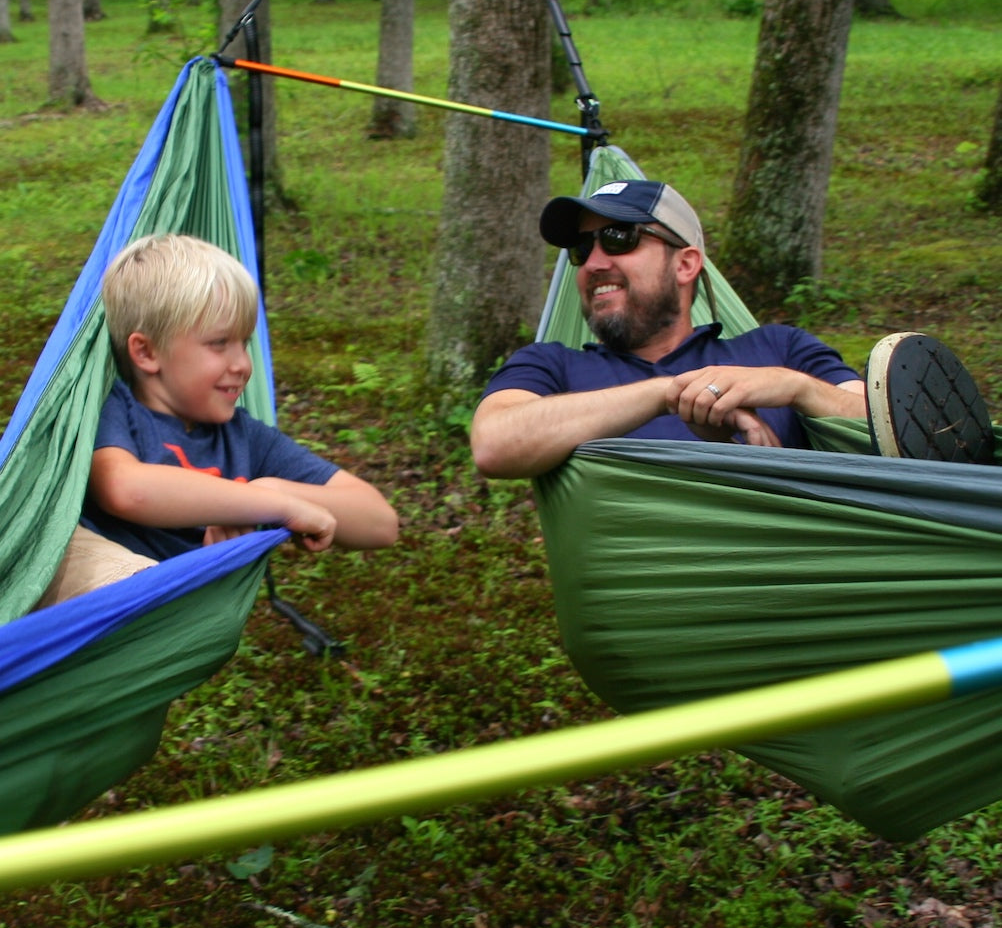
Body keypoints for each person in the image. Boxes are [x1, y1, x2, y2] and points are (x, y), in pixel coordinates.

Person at [471, 179, 995, 479]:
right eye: (581, 250)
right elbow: (494, 444)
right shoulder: (551, 365)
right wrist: (668, 394)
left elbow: (896, 428)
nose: (594, 262)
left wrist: (795, 387)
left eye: (619, 237)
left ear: (686, 264)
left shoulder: (779, 348)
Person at [38, 233, 398, 607]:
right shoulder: (113, 406)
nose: (242, 365)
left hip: (178, 624)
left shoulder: (245, 438)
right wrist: (266, 505)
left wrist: (276, 491)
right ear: (145, 352)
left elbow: (380, 522)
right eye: (218, 343)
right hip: (97, 609)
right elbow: (126, 489)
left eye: (244, 343)